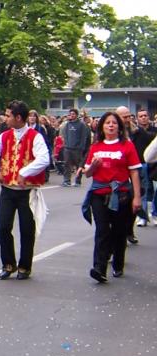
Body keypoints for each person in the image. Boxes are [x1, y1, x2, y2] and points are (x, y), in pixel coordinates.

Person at [0, 100, 50, 280]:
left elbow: (44, 159)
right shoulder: (5, 136)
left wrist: (24, 172)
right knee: (3, 227)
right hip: (7, 189)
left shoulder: (35, 137)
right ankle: (8, 263)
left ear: (18, 117)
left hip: (27, 191)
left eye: (8, 115)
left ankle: (25, 266)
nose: (5, 118)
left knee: (27, 229)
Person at [81, 112, 142, 283]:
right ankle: (99, 268)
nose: (110, 125)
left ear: (119, 127)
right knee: (102, 230)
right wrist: (93, 166)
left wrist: (137, 197)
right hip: (99, 194)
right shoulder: (96, 147)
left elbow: (134, 172)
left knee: (119, 231)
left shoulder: (127, 146)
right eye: (107, 122)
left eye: (114, 123)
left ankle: (118, 264)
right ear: (102, 127)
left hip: (120, 194)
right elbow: (88, 173)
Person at [59, 108, 90, 187]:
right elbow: (64, 135)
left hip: (77, 149)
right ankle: (66, 181)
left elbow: (84, 137)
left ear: (76, 115)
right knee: (67, 164)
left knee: (78, 165)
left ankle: (78, 181)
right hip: (67, 148)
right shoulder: (67, 124)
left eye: (73, 114)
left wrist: (81, 147)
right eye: (70, 114)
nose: (71, 116)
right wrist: (65, 144)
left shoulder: (82, 124)